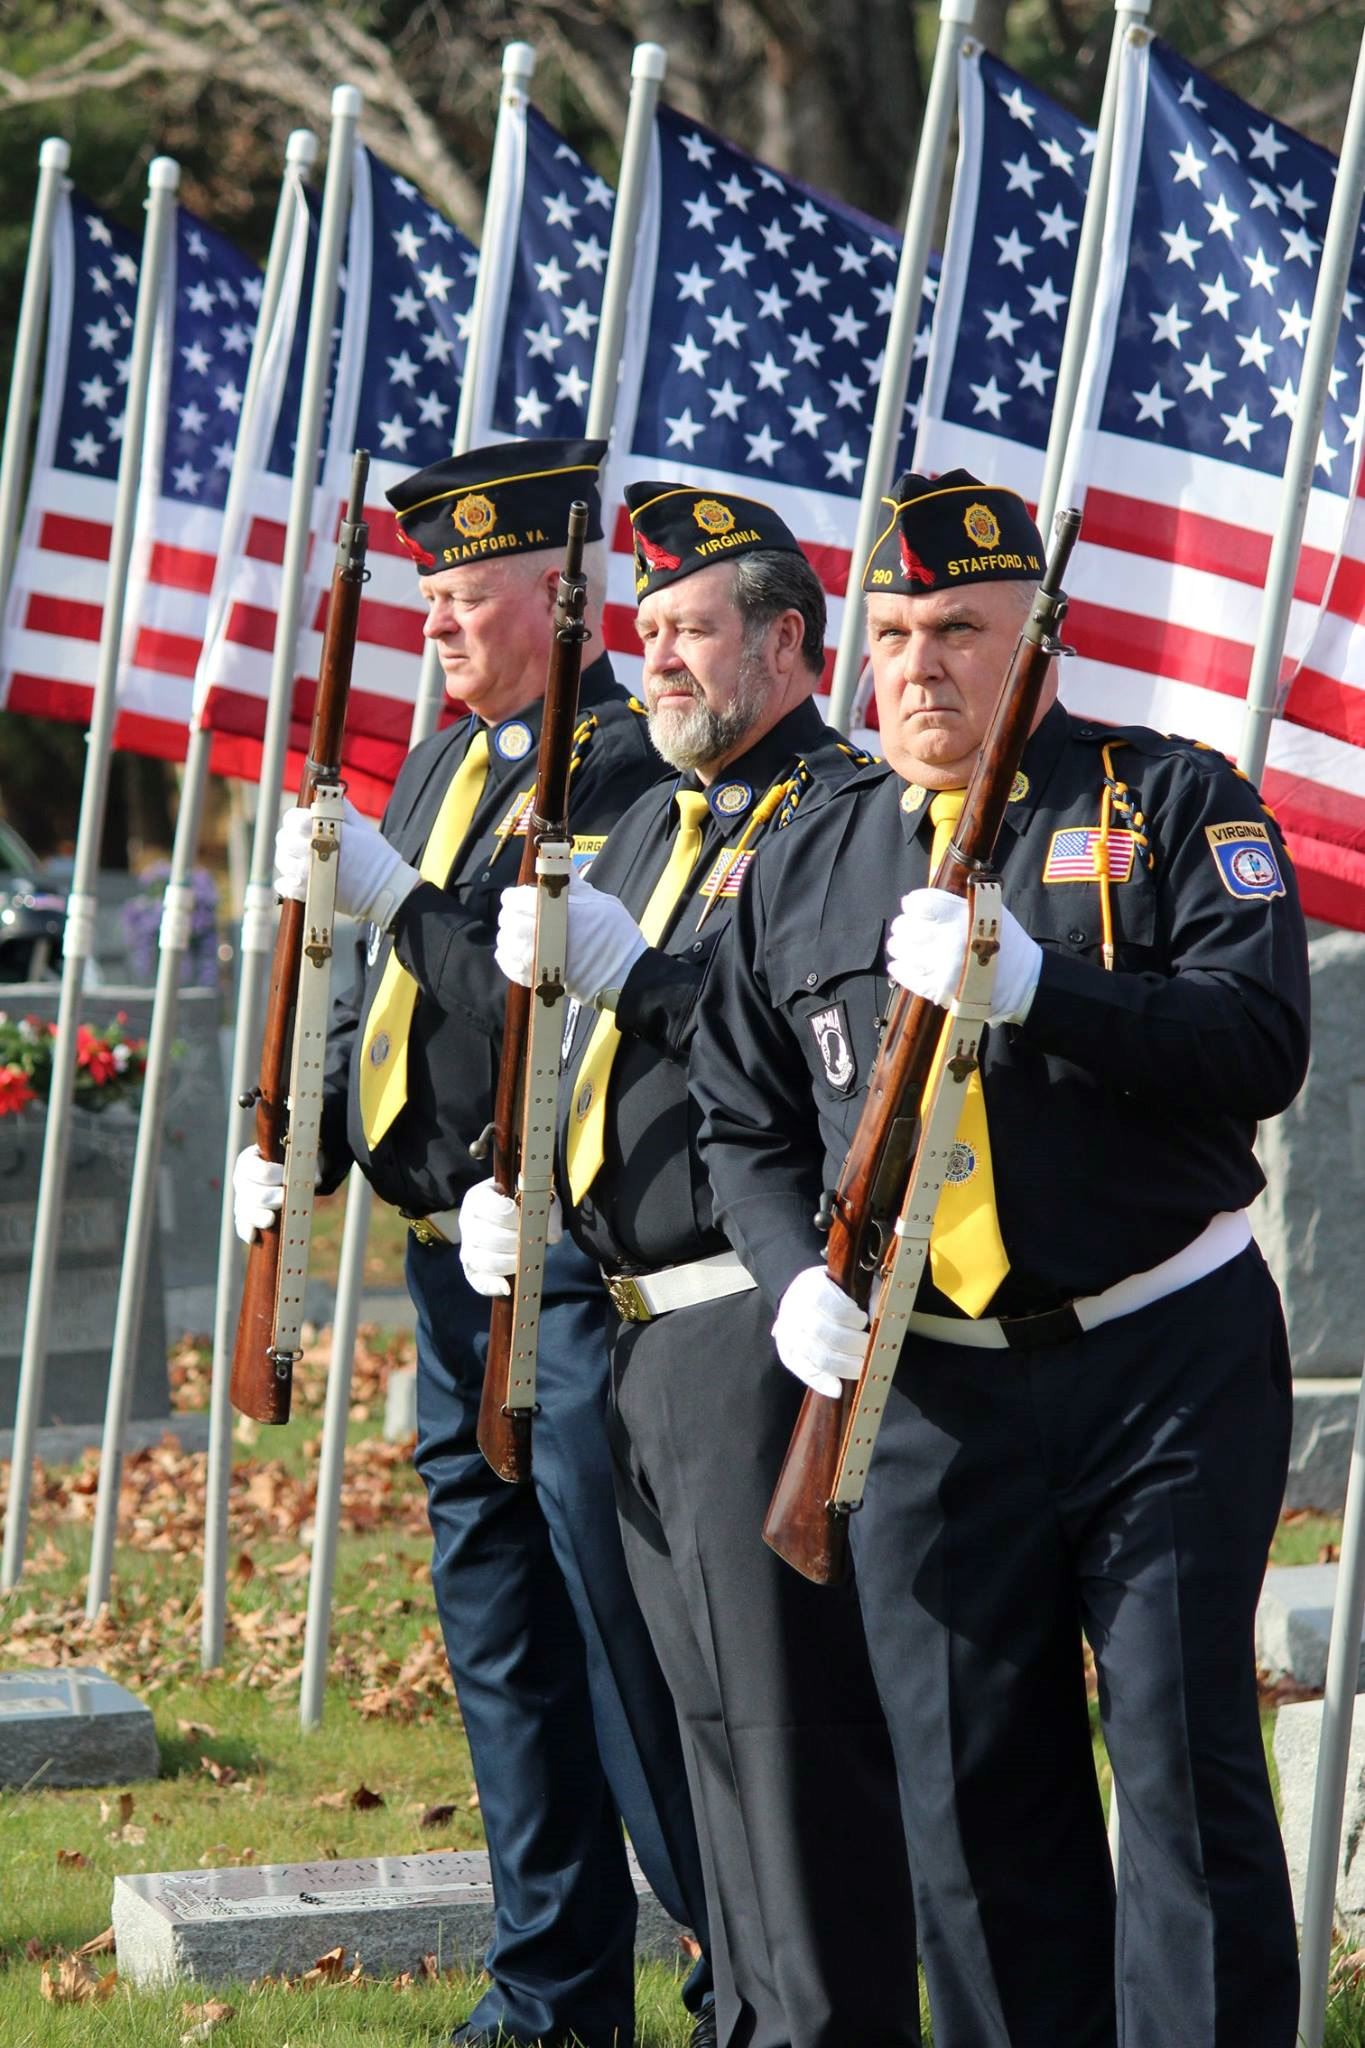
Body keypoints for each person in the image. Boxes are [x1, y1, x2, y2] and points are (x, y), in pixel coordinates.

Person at [691, 468, 1309, 2048]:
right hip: (923, 1392)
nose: (919, 666)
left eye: (960, 630)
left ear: (1039, 634)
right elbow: (741, 1118)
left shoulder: (1170, 802)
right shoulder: (806, 856)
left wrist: (1040, 988)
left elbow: (1257, 1038)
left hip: (1157, 1367)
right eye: (891, 633)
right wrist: (792, 1281)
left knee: (1177, 1779)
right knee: (969, 1806)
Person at [232, 439, 712, 2048]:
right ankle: (553, 1991)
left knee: (617, 1638)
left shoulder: (626, 771)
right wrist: (295, 1155)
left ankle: (746, 1967)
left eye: (467, 596)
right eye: (426, 598)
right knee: (501, 1644)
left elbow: (541, 997)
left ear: (561, 600)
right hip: (452, 1265)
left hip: (568, 1268)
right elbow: (386, 1016)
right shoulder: (449, 762)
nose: (435, 625)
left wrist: (390, 898)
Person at [458, 481, 921, 2048]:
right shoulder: (655, 813)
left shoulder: (843, 814)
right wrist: (503, 1188)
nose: (655, 662)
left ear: (788, 644)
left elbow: (796, 1070)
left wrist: (639, 975)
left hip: (751, 1316)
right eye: (644, 633)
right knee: (693, 1733)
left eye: (689, 632)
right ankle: (744, 2015)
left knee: (787, 1742)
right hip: (626, 1326)